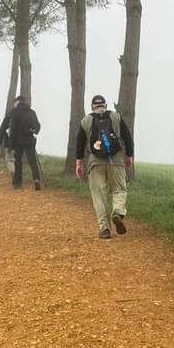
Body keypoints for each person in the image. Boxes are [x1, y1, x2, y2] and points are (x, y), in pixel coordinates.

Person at [75, 94, 134, 239]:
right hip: (116, 160)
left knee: (99, 196)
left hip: (95, 162)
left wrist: (79, 162)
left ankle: (104, 229)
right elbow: (127, 137)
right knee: (119, 189)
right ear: (106, 106)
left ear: (92, 107)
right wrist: (129, 156)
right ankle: (118, 212)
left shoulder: (86, 121)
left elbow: (80, 143)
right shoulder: (116, 117)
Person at [7, 95, 42, 190]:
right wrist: (34, 132)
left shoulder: (16, 113)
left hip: (18, 141)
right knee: (32, 161)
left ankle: (18, 183)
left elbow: (13, 130)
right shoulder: (32, 112)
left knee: (18, 161)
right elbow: (38, 125)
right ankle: (36, 179)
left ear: (18, 103)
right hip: (30, 140)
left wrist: (11, 145)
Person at [0, 97, 18, 178]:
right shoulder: (26, 113)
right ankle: (17, 173)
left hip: (8, 142)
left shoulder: (9, 114)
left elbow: (2, 129)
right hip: (21, 141)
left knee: (9, 159)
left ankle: (13, 172)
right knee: (17, 159)